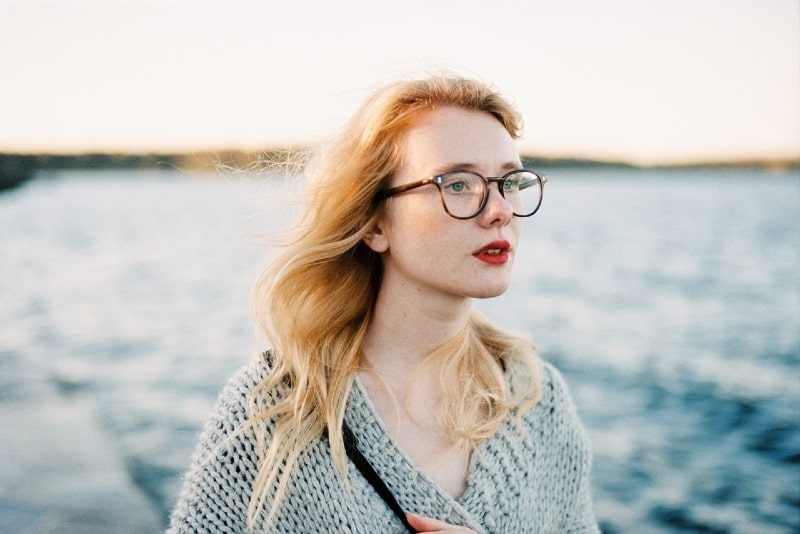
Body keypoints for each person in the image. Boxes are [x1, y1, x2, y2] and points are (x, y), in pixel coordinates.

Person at [167, 73, 599, 533]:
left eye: (510, 182)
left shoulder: (535, 399)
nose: (500, 210)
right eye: (458, 184)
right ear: (375, 224)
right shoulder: (274, 412)